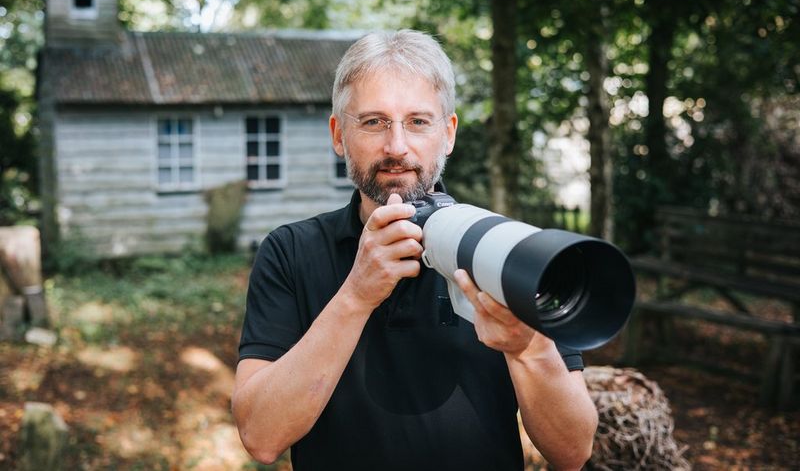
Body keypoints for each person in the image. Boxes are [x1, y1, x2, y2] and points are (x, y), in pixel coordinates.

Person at [232, 29, 598, 471]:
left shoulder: (505, 250)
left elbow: (572, 452)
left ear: (449, 134)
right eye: (374, 122)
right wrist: (356, 294)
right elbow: (261, 437)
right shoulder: (290, 252)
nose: (397, 147)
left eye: (418, 122)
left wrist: (529, 349)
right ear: (338, 135)